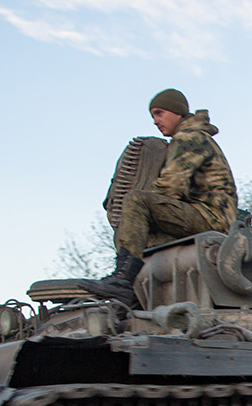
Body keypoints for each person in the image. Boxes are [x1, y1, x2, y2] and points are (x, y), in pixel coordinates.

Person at [81, 88, 238, 303]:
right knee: (146, 235)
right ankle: (135, 292)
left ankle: (122, 281)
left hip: (211, 217)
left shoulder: (189, 138)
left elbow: (171, 187)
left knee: (137, 201)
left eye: (159, 113)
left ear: (178, 113)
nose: (155, 121)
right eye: (153, 115)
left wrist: (135, 210)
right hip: (203, 216)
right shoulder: (190, 138)